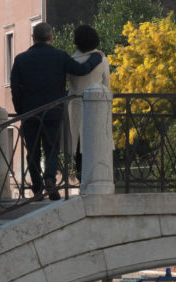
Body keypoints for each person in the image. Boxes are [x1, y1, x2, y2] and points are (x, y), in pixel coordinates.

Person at [10, 22, 103, 200]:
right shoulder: (59, 56)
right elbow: (81, 70)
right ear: (51, 37)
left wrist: (21, 110)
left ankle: (37, 189)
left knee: (33, 151)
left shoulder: (20, 59)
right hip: (53, 110)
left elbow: (15, 89)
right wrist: (97, 57)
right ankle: (50, 179)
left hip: (30, 113)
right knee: (52, 148)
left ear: (33, 38)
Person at [67, 25, 111, 178]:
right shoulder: (102, 59)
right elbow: (107, 84)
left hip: (76, 106)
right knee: (98, 143)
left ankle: (81, 178)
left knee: (79, 146)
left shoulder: (71, 60)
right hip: (99, 105)